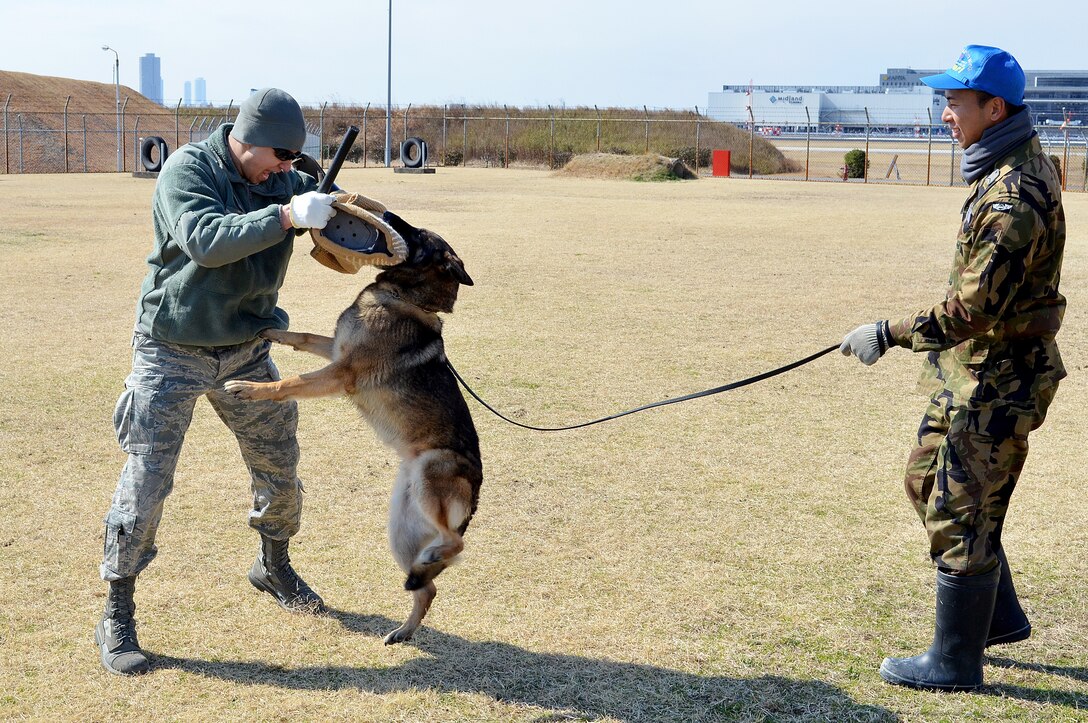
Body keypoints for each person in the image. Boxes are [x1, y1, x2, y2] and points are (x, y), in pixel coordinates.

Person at [840, 45, 1066, 692]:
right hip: (970, 371)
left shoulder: (1013, 195)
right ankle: (998, 616)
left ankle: (954, 661)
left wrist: (886, 333)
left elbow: (970, 309)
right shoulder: (1003, 171)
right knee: (927, 482)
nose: (945, 114)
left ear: (995, 109)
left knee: (962, 511)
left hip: (999, 376)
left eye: (955, 102)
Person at [95, 88, 338, 675]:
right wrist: (284, 216)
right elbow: (204, 242)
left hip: (248, 348)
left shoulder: (282, 177)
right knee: (148, 477)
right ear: (245, 140)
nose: (285, 166)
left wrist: (338, 217)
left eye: (292, 157)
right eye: (278, 155)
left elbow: (341, 240)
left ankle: (273, 564)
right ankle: (118, 606)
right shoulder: (188, 169)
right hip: (172, 347)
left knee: (279, 464)